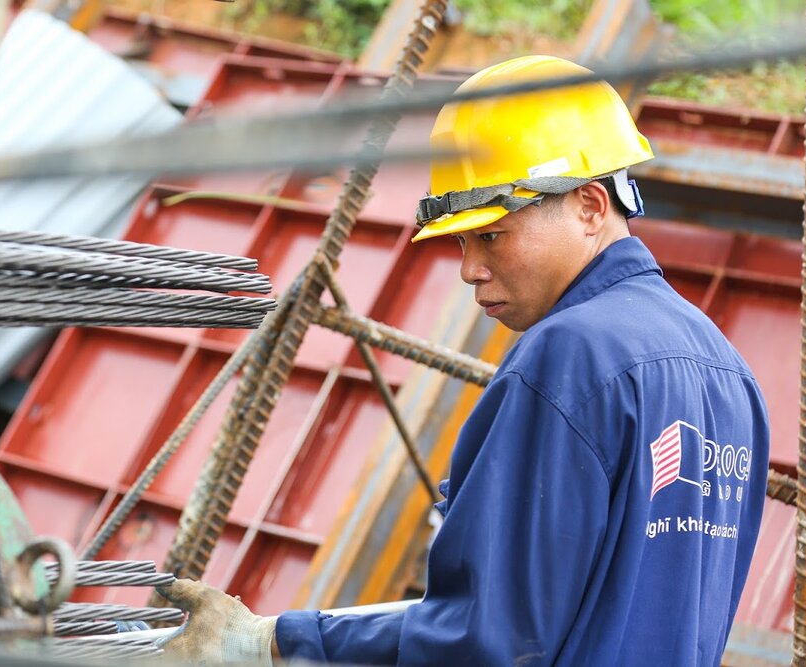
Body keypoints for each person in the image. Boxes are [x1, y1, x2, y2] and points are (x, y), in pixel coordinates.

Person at [158, 55, 770, 666]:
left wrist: (276, 643)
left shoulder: (569, 356)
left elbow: (486, 640)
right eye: (461, 240)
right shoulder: (729, 374)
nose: (470, 269)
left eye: (492, 235)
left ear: (589, 206)